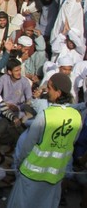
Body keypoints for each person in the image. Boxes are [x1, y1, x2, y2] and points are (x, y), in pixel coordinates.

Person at [7, 72, 82, 208]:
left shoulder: (45, 115)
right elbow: (71, 143)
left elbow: (27, 145)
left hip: (31, 175)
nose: (47, 91)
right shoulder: (77, 117)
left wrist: (19, 163)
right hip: (55, 176)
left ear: (58, 93)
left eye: (49, 88)